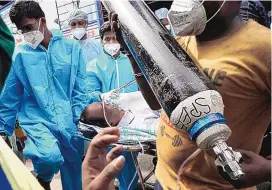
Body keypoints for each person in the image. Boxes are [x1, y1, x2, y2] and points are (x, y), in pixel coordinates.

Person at [108, 0, 271, 189]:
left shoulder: (264, 48)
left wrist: (268, 169)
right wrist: (133, 52)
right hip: (164, 178)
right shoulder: (181, 40)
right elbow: (156, 102)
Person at [0, 1, 88, 190]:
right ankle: (44, 179)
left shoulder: (72, 48)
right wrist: (2, 129)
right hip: (37, 119)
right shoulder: (21, 55)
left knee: (75, 173)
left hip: (69, 119)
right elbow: (10, 95)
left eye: (29, 27)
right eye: (22, 31)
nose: (27, 34)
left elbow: (80, 88)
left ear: (43, 21)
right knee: (49, 157)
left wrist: (78, 116)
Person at [86, 21, 139, 190]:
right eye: (107, 39)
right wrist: (103, 96)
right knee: (118, 160)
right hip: (110, 122)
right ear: (102, 41)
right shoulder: (94, 66)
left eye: (114, 38)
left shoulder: (131, 61)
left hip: (134, 119)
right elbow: (89, 93)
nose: (111, 42)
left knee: (133, 159)